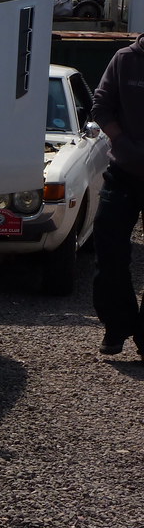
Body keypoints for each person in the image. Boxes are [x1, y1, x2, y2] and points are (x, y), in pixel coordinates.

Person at [91, 32, 144, 356]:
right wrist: (123, 145)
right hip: (123, 174)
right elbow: (101, 106)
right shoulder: (126, 60)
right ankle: (117, 325)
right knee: (109, 252)